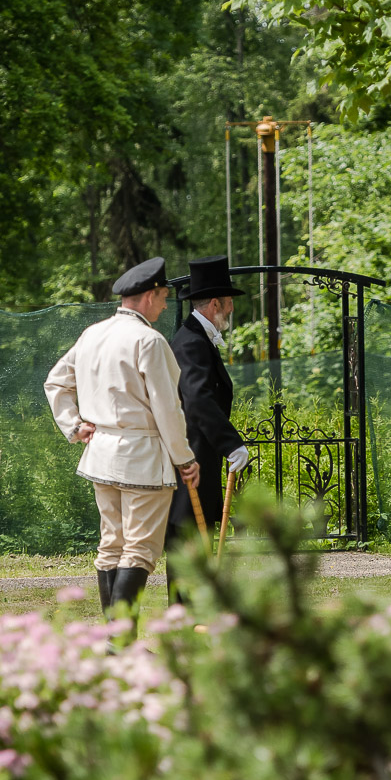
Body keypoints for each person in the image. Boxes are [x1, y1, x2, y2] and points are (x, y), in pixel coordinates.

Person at [45, 256, 200, 612]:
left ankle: (117, 644)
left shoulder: (92, 334)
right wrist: (185, 458)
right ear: (149, 295)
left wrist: (73, 424)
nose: (164, 305)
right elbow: (167, 408)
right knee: (140, 549)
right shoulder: (149, 340)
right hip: (141, 457)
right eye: (163, 297)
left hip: (101, 454)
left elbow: (55, 381)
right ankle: (120, 645)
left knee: (112, 545)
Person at [166, 255, 249, 560]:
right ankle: (184, 608)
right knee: (189, 547)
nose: (231, 309)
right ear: (215, 304)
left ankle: (191, 607)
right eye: (229, 302)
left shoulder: (199, 338)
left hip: (199, 459)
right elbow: (198, 398)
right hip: (192, 460)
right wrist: (231, 444)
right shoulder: (191, 342)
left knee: (196, 547)